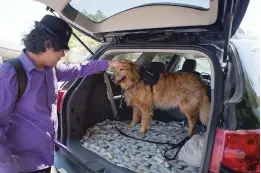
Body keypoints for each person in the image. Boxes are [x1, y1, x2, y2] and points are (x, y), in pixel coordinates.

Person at [0, 15, 126, 173]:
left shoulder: (50, 69)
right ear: (48, 45)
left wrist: (108, 63)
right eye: (62, 50)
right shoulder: (10, 74)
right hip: (21, 167)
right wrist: (7, 169)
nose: (63, 55)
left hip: (46, 159)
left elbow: (80, 68)